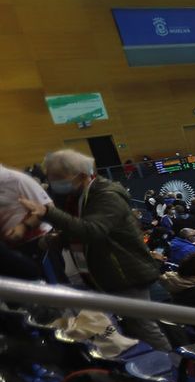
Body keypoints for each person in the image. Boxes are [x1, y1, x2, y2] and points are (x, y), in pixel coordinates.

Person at [18, 150, 171, 351]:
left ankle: (170, 363)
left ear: (81, 175)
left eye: (57, 178)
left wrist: (48, 212)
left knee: (143, 327)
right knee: (131, 328)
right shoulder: (80, 197)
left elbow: (93, 231)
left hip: (125, 272)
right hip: (106, 273)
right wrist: (53, 240)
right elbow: (81, 231)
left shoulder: (107, 195)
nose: (52, 183)